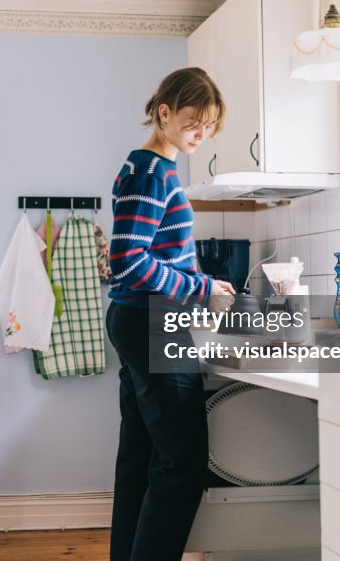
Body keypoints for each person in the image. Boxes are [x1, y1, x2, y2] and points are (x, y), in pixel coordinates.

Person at [106, 66, 235, 561]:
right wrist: (201, 288)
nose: (200, 134)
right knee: (182, 466)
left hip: (141, 320)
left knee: (139, 459)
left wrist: (197, 286)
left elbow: (148, 256)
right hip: (152, 322)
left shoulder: (149, 168)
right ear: (164, 113)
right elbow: (129, 261)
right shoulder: (152, 173)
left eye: (208, 126)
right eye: (192, 122)